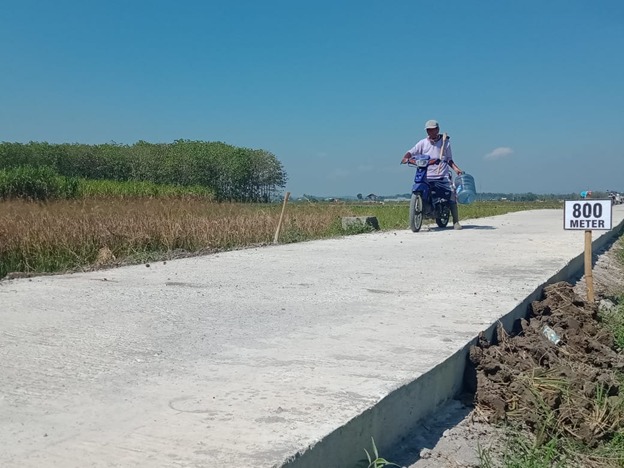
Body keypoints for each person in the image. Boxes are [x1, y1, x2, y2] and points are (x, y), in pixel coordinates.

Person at [401, 119, 465, 229]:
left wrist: (456, 169)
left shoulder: (445, 142)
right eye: (428, 130)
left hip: (441, 175)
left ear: (437, 130)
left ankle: (456, 221)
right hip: (426, 175)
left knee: (451, 193)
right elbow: (412, 151)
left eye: (433, 130)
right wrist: (406, 157)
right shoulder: (423, 143)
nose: (430, 132)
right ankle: (415, 219)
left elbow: (449, 159)